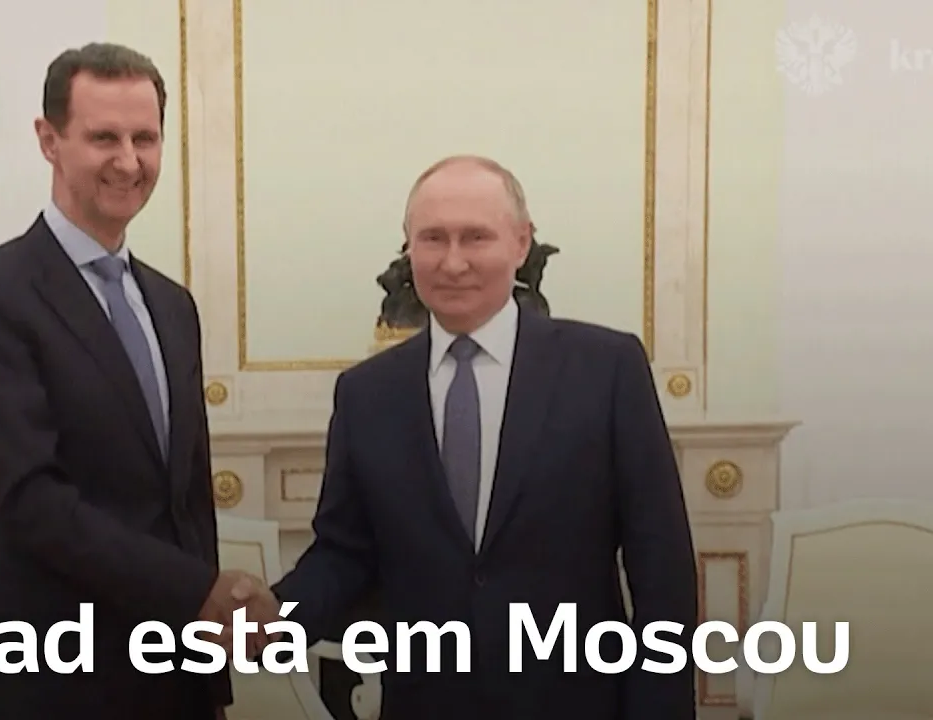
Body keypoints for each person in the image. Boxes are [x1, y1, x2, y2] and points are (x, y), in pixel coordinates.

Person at [247, 156, 698, 718]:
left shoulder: (606, 370)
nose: (453, 262)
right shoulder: (366, 394)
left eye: (475, 237)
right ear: (409, 247)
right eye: (433, 238)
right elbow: (344, 554)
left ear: (521, 243)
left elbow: (661, 567)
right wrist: (272, 619)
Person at [0, 44, 252, 719]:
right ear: (48, 140)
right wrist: (196, 590)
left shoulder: (173, 307)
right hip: (53, 682)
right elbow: (31, 501)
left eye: (146, 139)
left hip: (177, 681)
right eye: (104, 137)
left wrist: (210, 673)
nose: (129, 162)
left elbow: (186, 501)